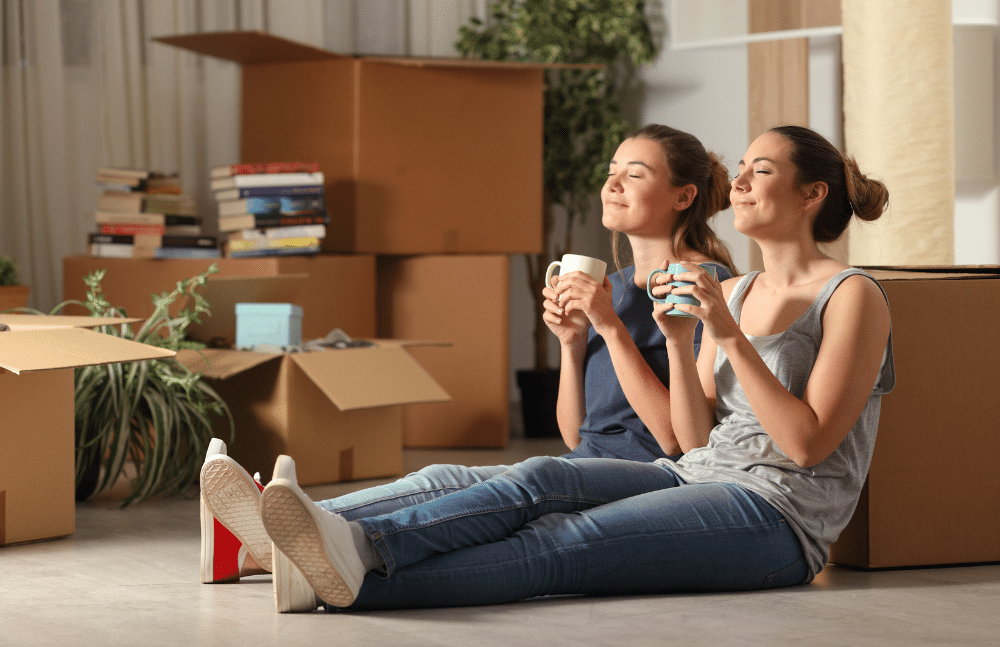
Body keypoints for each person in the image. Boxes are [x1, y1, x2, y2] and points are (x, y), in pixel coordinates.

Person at [255, 124, 894, 611]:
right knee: (537, 476)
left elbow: (807, 445)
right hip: (693, 475)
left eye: (762, 170)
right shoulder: (733, 292)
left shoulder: (853, 295)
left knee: (562, 545)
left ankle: (349, 578)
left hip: (777, 517)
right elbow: (695, 441)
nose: (743, 183)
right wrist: (678, 339)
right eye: (744, 170)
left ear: (812, 194)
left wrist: (725, 338)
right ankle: (343, 540)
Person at [200, 124, 736, 602]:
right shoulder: (611, 287)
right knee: (446, 475)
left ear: (683, 195)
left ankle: (301, 534)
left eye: (635, 174)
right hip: (584, 466)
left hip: (651, 480)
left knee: (524, 480)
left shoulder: (703, 286)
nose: (612, 184)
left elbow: (677, 441)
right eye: (612, 171)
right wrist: (572, 345)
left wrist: (609, 328)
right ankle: (270, 531)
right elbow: (578, 435)